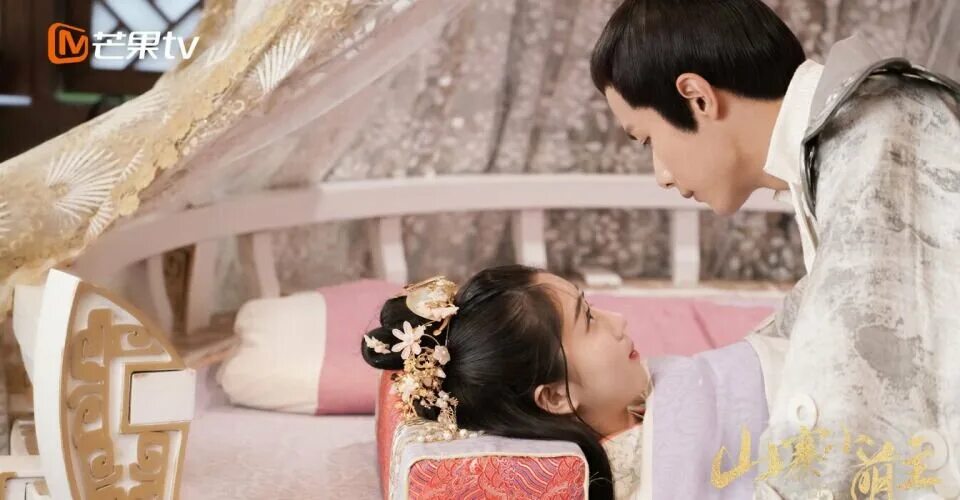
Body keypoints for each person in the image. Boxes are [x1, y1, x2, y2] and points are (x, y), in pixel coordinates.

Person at [591, 0, 960, 497]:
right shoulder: (841, 141)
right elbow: (816, 322)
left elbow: (846, 389)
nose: (660, 174)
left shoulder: (879, 138)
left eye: (647, 139)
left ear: (697, 98)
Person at [361, 265, 787, 499]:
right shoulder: (633, 467)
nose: (618, 321)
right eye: (590, 320)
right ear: (555, 396)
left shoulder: (661, 387)